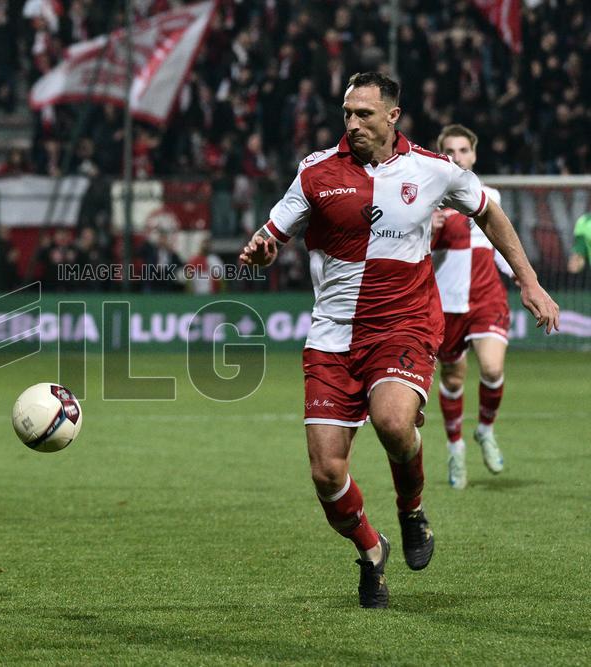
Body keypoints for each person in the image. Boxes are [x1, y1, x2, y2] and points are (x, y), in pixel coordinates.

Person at [239, 73, 559, 609]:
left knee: (392, 421)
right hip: (331, 335)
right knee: (326, 473)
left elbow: (490, 212)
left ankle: (411, 509)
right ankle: (371, 550)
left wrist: (527, 279)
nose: (353, 123)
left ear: (392, 116)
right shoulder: (316, 171)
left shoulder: (434, 170)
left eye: (365, 113)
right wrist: (262, 248)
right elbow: (274, 231)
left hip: (401, 326)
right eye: (347, 113)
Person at [431, 124, 516, 489]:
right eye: (449, 151)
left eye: (463, 150)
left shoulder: (488, 195)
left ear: (474, 155)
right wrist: (427, 229)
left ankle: (485, 429)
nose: (457, 157)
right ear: (440, 156)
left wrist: (526, 281)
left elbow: (501, 247)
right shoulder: (426, 200)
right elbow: (413, 255)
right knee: (452, 378)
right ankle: (455, 449)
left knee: (493, 369)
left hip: (486, 298)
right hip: (446, 304)